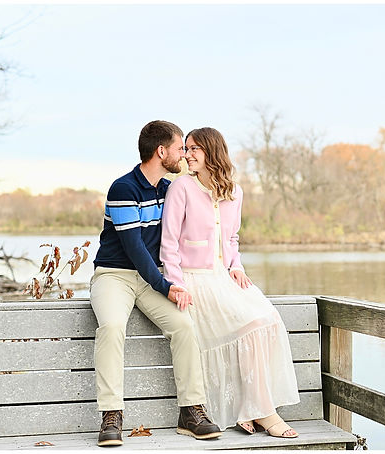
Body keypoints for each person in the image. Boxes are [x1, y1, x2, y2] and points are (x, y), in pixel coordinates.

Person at [160, 127, 301, 438]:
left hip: (224, 276)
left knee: (267, 319)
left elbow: (232, 238)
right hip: (193, 280)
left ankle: (251, 407)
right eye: (186, 148)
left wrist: (235, 265)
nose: (188, 154)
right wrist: (175, 284)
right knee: (249, 325)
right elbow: (168, 244)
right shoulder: (181, 187)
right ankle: (264, 412)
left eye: (195, 148)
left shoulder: (234, 191)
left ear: (212, 151)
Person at [90, 120, 221, 447]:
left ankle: (191, 411)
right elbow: (134, 249)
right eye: (180, 148)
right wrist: (167, 286)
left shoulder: (169, 189)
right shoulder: (123, 188)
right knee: (111, 326)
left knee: (183, 326)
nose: (184, 155)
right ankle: (111, 415)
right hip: (114, 275)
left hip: (152, 279)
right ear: (161, 151)